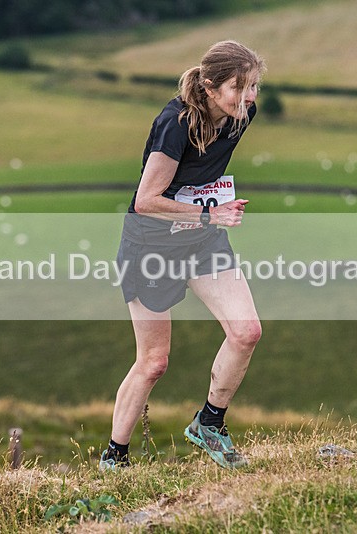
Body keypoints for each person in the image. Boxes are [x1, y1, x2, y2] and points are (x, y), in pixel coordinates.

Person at [100, 40, 266, 470]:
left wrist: (207, 219)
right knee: (154, 362)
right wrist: (211, 215)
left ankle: (209, 424)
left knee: (247, 331)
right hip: (151, 244)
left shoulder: (240, 116)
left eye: (254, 87)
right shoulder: (174, 123)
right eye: (239, 87)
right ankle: (115, 457)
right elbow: (146, 200)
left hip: (200, 240)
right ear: (210, 86)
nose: (248, 97)